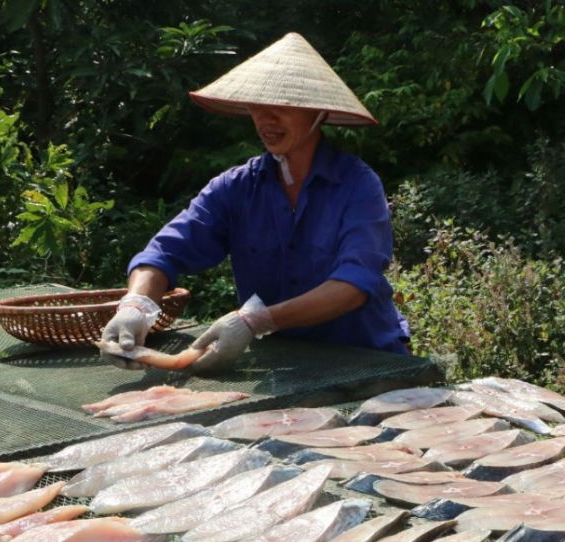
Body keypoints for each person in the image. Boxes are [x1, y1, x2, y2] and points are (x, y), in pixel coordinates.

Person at [100, 32, 410, 372]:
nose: (266, 119)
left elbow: (354, 285)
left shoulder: (357, 185)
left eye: (282, 105)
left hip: (367, 359)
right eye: (257, 106)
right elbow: (163, 253)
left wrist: (255, 320)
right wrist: (136, 306)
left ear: (317, 112)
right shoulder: (236, 188)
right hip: (280, 364)